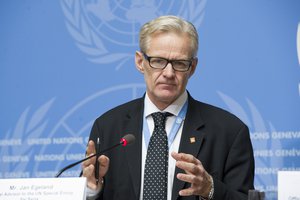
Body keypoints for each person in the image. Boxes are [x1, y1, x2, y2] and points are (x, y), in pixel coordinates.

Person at [82, 15, 254, 200]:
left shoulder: (229, 132)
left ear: (193, 67)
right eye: (158, 61)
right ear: (140, 62)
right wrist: (92, 190)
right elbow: (93, 185)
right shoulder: (108, 128)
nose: (169, 73)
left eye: (179, 64)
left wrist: (210, 189)